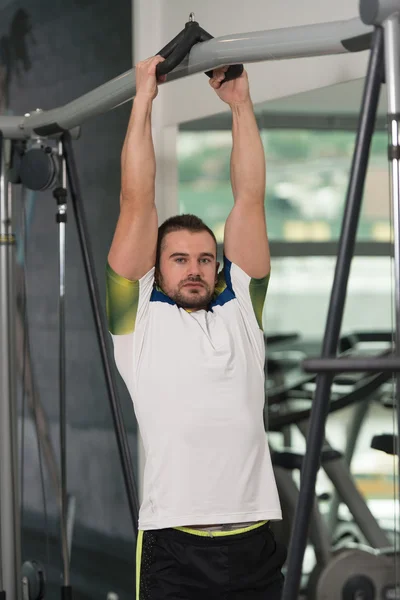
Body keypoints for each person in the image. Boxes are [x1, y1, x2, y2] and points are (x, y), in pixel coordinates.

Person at [106, 55, 286, 600]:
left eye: (206, 258)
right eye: (178, 258)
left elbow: (248, 198)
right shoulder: (138, 324)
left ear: (219, 266)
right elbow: (136, 199)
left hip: (254, 536)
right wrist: (144, 98)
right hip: (174, 543)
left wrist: (240, 105)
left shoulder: (241, 314)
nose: (194, 268)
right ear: (156, 268)